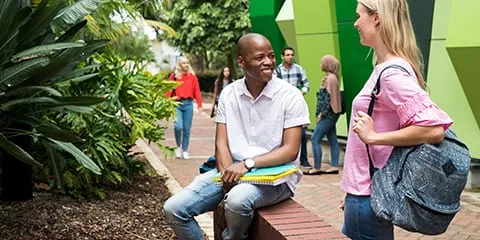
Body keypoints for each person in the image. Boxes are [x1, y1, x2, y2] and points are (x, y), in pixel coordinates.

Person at [163, 33, 310, 240]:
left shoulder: (290, 96)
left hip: (276, 179)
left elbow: (290, 150)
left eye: (271, 56)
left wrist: (247, 164)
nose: (268, 62)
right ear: (241, 62)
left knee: (237, 201)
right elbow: (221, 143)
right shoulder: (229, 94)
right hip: (233, 172)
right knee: (174, 208)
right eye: (260, 58)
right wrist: (226, 175)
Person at [340, 0, 453, 239]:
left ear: (377, 18)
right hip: (365, 192)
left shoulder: (391, 73)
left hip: (368, 196)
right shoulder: (388, 68)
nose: (356, 23)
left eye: (359, 16)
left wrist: (373, 137)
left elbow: (434, 130)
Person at [276, 47, 312, 170]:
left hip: (296, 104)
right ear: (282, 56)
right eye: (287, 55)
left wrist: (302, 92)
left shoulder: (299, 69)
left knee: (301, 133)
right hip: (282, 105)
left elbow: (306, 84)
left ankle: (304, 160)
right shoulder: (277, 71)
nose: (290, 57)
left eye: (292, 55)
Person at [304, 55, 342, 175]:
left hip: (328, 114)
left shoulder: (330, 79)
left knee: (315, 138)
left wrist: (321, 114)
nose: (321, 65)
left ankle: (316, 167)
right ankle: (334, 166)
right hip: (333, 113)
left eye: (322, 62)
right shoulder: (333, 78)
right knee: (332, 139)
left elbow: (327, 99)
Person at [166, 56, 203, 160]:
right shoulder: (174, 76)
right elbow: (168, 90)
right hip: (177, 104)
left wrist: (200, 105)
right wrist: (166, 103)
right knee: (178, 126)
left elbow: (197, 91)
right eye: (183, 63)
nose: (186, 65)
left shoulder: (192, 77)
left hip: (188, 104)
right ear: (179, 65)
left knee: (186, 129)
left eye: (187, 63)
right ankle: (178, 147)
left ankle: (185, 149)